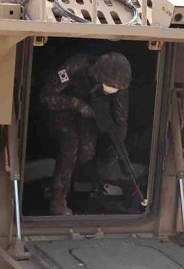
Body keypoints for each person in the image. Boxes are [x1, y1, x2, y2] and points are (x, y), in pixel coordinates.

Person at [39, 52, 132, 215]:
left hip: (88, 117)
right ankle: (57, 197)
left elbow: (120, 120)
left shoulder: (119, 86)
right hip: (61, 111)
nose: (111, 90)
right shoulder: (77, 66)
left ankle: (65, 185)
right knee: (71, 142)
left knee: (87, 152)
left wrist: (117, 147)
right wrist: (78, 105)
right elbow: (47, 96)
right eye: (107, 86)